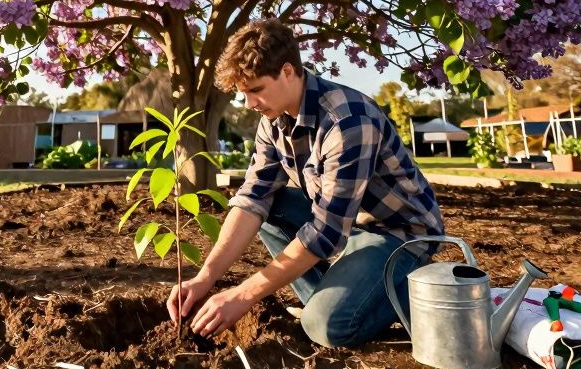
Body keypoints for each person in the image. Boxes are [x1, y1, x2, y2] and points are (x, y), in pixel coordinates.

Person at [167, 18, 445, 347]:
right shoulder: (272, 120)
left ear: (288, 71)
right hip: (350, 230)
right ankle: (347, 294)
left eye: (255, 90)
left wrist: (243, 295)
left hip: (399, 235)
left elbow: (325, 233)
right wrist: (205, 278)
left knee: (327, 328)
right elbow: (252, 199)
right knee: (273, 205)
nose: (249, 104)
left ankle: (410, 293)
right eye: (243, 94)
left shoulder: (349, 122)